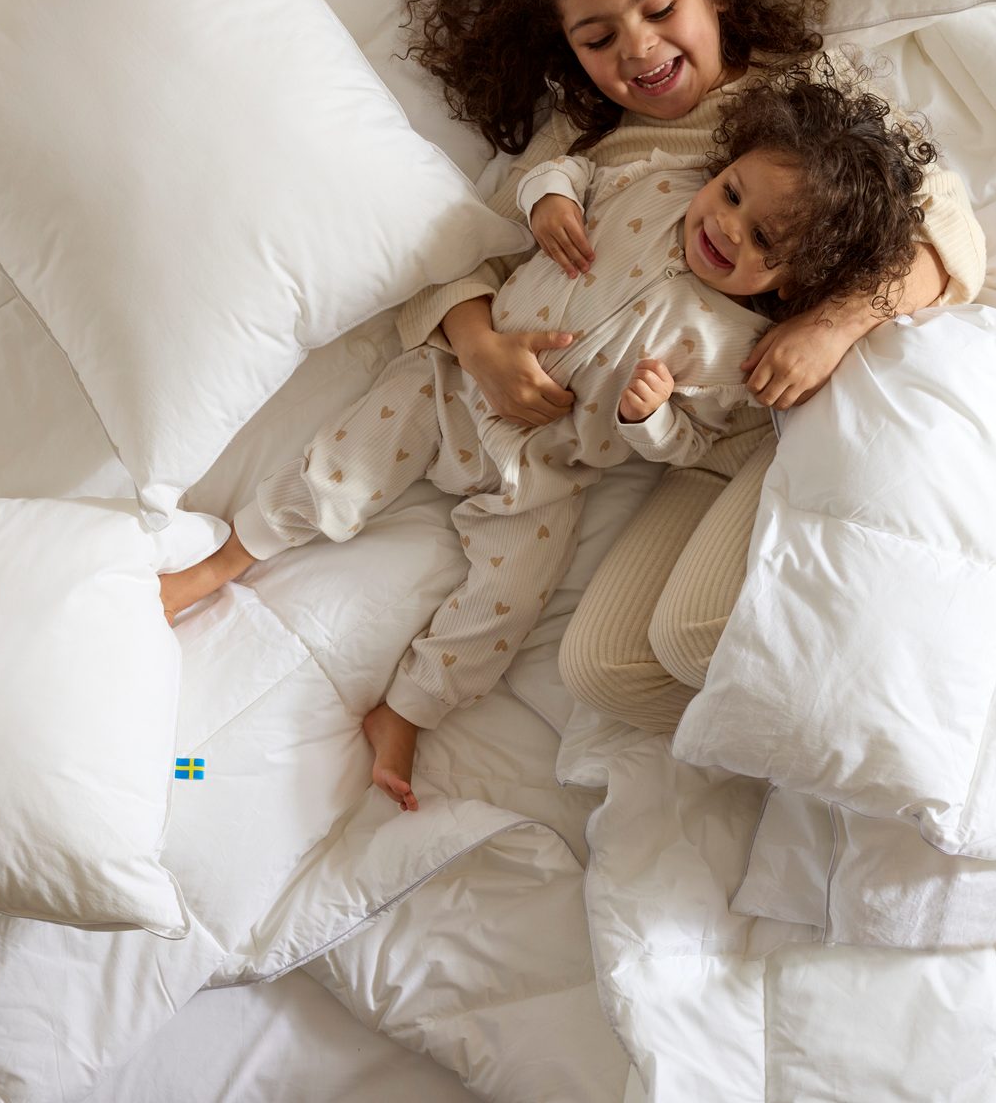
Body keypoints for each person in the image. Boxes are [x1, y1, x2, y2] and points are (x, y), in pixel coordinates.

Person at [161, 70, 936, 808]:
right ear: (724, 164)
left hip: (544, 470)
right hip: (453, 387)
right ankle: (228, 559)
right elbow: (560, 173)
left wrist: (651, 417)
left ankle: (406, 710)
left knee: (506, 603)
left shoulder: (735, 348)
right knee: (344, 463)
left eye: (762, 238)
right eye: (731, 192)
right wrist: (550, 205)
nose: (725, 227)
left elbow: (690, 448)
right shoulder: (659, 183)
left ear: (794, 284)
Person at [398, 0, 990, 733]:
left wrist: (834, 323)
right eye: (597, 39)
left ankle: (879, 721)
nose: (637, 50)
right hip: (688, 430)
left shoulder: (809, 88)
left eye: (660, 9)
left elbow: (949, 237)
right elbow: (466, 262)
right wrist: (481, 347)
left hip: (807, 400)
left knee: (692, 632)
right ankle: (787, 752)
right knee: (597, 670)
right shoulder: (583, 147)